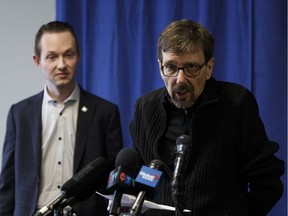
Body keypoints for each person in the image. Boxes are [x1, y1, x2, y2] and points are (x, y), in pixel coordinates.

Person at [129, 19, 285, 216]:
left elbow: (267, 181)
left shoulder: (236, 104)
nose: (180, 79)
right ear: (160, 67)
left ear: (209, 67)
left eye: (191, 68)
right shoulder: (146, 108)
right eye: (171, 67)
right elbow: (144, 175)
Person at [0, 21, 123, 216]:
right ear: (37, 60)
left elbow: (115, 180)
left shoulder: (104, 112)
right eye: (52, 56)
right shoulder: (19, 113)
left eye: (68, 54)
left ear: (79, 55)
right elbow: (8, 183)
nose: (62, 64)